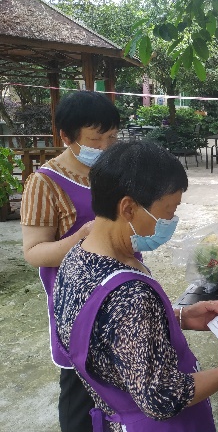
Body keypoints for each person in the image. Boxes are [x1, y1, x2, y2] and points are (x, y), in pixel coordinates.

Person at [53, 140, 218, 432]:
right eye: (169, 209)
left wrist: (178, 316)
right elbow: (162, 398)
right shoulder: (132, 296)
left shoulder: (76, 257)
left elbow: (107, 334)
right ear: (128, 208)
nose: (172, 221)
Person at [21, 91, 121, 432]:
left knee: (122, 389)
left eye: (112, 138)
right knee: (81, 398)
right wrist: (82, 237)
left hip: (121, 296)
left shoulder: (112, 172)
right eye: (95, 140)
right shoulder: (44, 183)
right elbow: (34, 252)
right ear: (66, 136)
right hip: (78, 309)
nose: (105, 147)